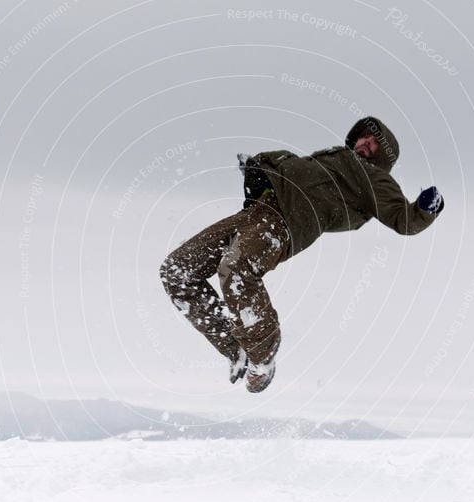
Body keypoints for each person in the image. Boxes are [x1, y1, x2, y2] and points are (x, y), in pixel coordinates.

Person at [159, 117, 444, 393]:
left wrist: (426, 209)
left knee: (236, 271)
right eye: (365, 137)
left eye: (375, 145)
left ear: (383, 159)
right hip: (255, 212)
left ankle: (262, 353)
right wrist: (260, 166)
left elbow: (404, 220)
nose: (367, 144)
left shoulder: (374, 178)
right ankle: (236, 348)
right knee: (177, 269)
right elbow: (292, 169)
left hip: (283, 222)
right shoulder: (329, 159)